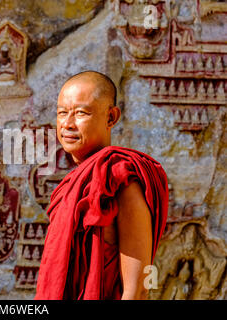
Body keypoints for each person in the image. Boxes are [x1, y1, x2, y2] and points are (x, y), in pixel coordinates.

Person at [35, 71, 168, 300]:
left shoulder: (123, 180)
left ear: (111, 117)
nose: (67, 124)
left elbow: (137, 289)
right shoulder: (70, 186)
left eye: (81, 113)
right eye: (62, 113)